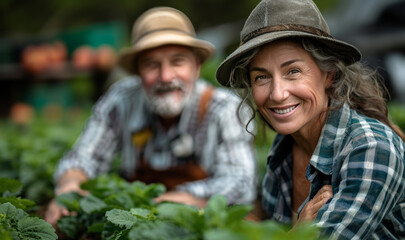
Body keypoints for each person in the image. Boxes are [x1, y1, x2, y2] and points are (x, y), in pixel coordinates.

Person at [215, 0, 405, 239]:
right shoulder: (285, 147)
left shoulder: (371, 148)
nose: (277, 93)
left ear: (329, 74)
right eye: (261, 77)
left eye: (293, 71)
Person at [45, 6, 257, 225]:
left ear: (196, 67)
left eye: (177, 62)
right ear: (137, 72)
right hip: (135, 223)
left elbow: (241, 182)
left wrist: (177, 199)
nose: (165, 77)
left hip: (203, 224)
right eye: (152, 65)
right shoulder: (121, 101)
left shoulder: (225, 109)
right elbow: (85, 157)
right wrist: (70, 184)